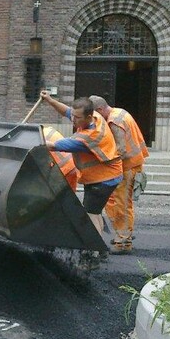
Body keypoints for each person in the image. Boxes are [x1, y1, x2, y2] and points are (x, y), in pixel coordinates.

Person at [40, 92, 123, 237]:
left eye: (77, 118)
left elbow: (53, 145)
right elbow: (67, 111)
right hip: (104, 176)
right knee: (95, 212)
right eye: (73, 115)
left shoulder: (88, 137)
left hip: (103, 180)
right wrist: (50, 100)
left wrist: (31, 139)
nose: (73, 120)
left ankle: (94, 251)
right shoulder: (95, 116)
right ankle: (99, 248)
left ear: (89, 117)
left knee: (90, 215)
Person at [89, 95, 149, 254]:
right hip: (132, 165)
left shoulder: (113, 122)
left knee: (121, 204)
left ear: (100, 110)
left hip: (127, 167)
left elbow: (121, 150)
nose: (94, 120)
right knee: (117, 202)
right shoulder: (120, 113)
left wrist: (102, 162)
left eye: (95, 116)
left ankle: (123, 241)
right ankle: (122, 234)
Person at [43, 125, 80, 193]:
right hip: (72, 166)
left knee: (59, 197)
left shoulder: (40, 139)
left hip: (63, 170)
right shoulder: (47, 131)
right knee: (70, 196)